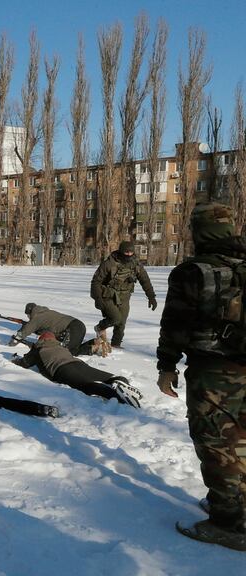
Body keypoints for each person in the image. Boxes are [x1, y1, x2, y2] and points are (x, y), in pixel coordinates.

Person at [156, 202, 246, 551]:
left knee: (217, 444)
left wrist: (167, 366)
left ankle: (229, 523)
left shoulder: (193, 272)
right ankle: (236, 506)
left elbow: (175, 325)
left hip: (215, 372)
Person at [12, 332, 142, 408]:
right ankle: (121, 382)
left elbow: (25, 363)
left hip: (62, 370)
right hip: (79, 364)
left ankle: (119, 398)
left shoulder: (38, 349)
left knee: (87, 386)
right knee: (109, 377)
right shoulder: (61, 347)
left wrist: (16, 359)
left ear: (40, 340)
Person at [90, 240, 157, 349]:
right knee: (115, 318)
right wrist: (97, 299)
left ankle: (116, 345)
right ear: (121, 252)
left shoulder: (136, 264)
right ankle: (100, 327)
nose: (129, 255)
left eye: (131, 252)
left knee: (121, 323)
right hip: (108, 295)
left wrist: (151, 297)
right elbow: (96, 282)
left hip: (125, 296)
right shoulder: (109, 263)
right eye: (126, 252)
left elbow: (145, 281)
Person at [9, 302, 103, 356]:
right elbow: (48, 328)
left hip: (72, 328)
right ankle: (94, 342)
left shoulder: (37, 317)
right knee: (74, 347)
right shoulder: (45, 312)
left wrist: (13, 342)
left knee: (67, 352)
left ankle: (94, 348)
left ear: (30, 313)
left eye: (28, 315)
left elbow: (24, 332)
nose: (28, 317)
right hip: (78, 325)